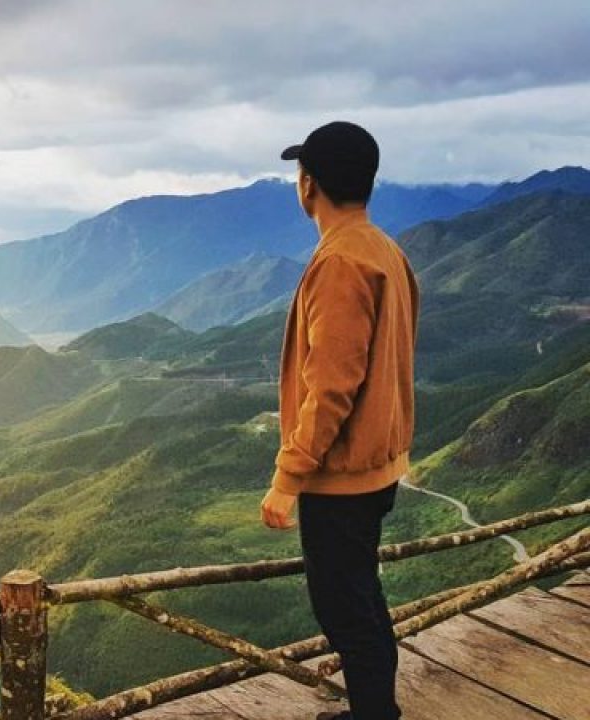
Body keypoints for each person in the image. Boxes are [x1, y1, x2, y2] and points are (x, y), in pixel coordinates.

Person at [260, 121, 419, 720]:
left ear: (308, 186)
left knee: (342, 607)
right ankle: (375, 709)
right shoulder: (384, 249)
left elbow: (331, 385)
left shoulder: (341, 261)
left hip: (342, 473)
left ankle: (375, 714)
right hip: (378, 465)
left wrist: (288, 476)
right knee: (361, 596)